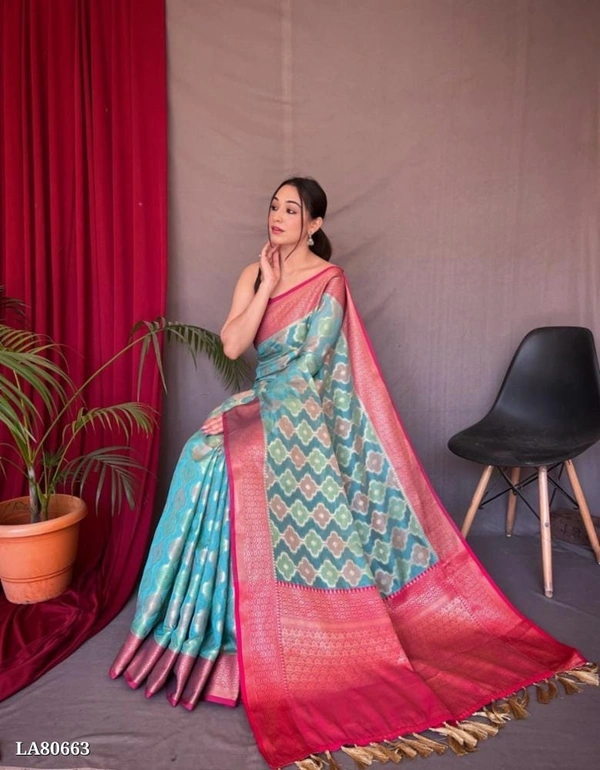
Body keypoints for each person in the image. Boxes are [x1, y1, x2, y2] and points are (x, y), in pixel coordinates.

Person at [110, 177, 596, 770]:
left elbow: (310, 367)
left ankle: (278, 628)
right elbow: (234, 346)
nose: (278, 217)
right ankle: (200, 628)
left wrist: (259, 413)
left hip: (302, 412)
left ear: (314, 224)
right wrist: (265, 286)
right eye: (274, 207)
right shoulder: (252, 274)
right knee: (202, 456)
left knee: (243, 459)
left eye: (292, 210)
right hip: (260, 402)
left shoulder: (329, 281)